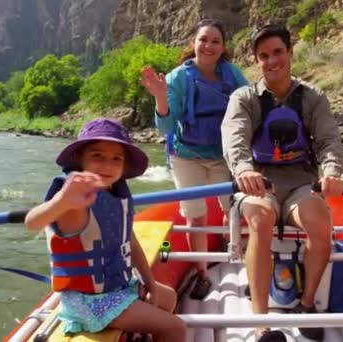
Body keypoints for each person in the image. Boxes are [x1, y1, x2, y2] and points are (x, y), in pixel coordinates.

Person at [221, 24, 343, 342]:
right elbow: (235, 139)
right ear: (256, 61)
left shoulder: (313, 97)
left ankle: (306, 306)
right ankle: (262, 322)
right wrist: (243, 169)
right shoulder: (244, 98)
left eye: (278, 52)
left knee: (320, 223)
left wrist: (331, 171)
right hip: (258, 181)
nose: (272, 61)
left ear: (290, 53)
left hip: (302, 181)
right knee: (261, 218)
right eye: (263, 56)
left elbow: (329, 140)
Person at [25, 118, 186, 341]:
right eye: (97, 156)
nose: (107, 165)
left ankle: (146, 334)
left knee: (168, 297)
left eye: (116, 158)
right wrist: (62, 201)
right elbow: (32, 222)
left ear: (125, 166)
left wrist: (149, 281)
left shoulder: (117, 194)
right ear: (79, 159)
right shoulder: (76, 201)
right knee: (176, 328)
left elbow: (128, 239)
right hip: (90, 302)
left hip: (119, 288)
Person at [140, 19, 248, 300]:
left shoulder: (232, 75)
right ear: (194, 43)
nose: (209, 46)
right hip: (187, 156)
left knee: (235, 209)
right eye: (204, 40)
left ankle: (245, 265)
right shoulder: (178, 78)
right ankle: (202, 275)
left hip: (224, 155)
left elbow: (250, 109)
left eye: (215, 41)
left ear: (223, 47)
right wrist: (161, 97)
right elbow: (165, 127)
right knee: (196, 216)